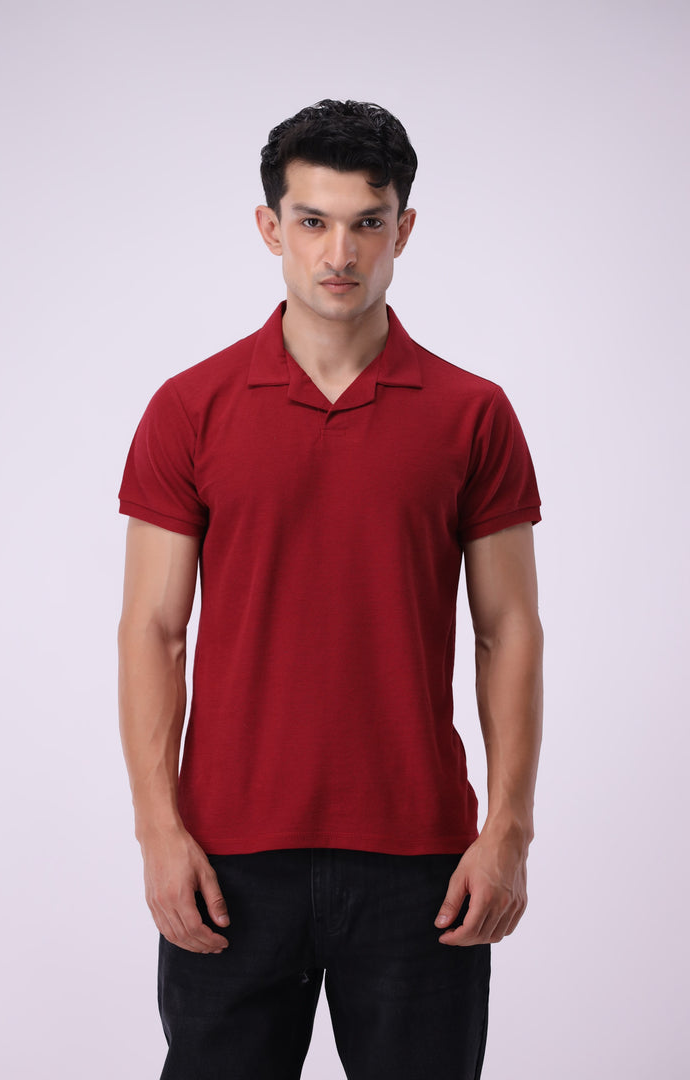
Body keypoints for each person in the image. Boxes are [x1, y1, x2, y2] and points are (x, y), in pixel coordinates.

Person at [118, 98, 543, 1080]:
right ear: (271, 227)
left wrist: (509, 831)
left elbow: (509, 629)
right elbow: (152, 630)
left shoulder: (473, 414)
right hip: (227, 859)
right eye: (312, 221)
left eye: (367, 223)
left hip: (422, 865)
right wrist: (158, 832)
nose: (339, 253)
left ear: (404, 229)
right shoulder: (190, 408)